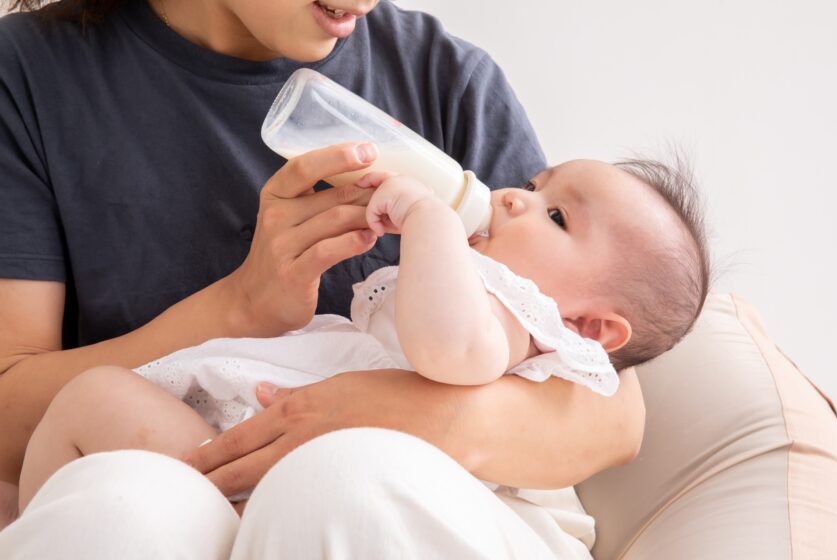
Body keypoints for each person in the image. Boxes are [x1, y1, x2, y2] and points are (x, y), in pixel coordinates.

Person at [0, 0, 649, 557]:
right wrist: (240, 306)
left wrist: (395, 414)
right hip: (199, 472)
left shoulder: (441, 77)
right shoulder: (31, 77)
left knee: (335, 483)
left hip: (386, 500)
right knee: (122, 509)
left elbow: (611, 409)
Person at [18, 157, 709, 552]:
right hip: (251, 441)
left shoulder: (526, 326)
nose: (510, 199)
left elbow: (453, 350)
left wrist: (431, 221)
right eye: (533, 186)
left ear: (590, 327)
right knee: (94, 396)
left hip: (348, 488)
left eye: (555, 215)